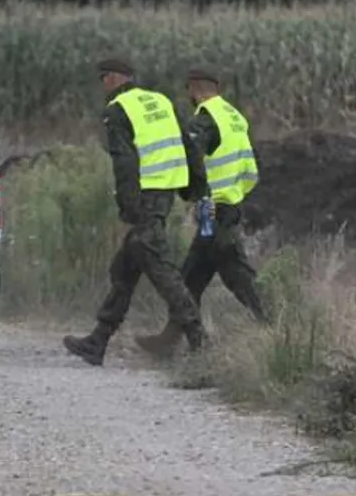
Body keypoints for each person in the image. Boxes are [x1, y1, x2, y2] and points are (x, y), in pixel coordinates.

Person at [62, 58, 208, 366]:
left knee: (162, 271)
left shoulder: (117, 110)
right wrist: (196, 189)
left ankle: (200, 341)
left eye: (103, 77)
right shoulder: (160, 100)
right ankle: (98, 341)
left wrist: (129, 209)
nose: (102, 84)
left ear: (114, 78)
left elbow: (125, 163)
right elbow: (188, 145)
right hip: (166, 191)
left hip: (146, 197)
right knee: (125, 269)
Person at [135, 68, 267, 355]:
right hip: (227, 206)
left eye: (188, 91)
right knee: (191, 278)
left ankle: (275, 328)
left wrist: (197, 195)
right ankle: (172, 340)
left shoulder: (205, 119)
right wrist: (233, 196)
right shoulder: (235, 117)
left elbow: (191, 156)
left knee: (238, 278)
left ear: (194, 89)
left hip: (213, 210)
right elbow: (252, 168)